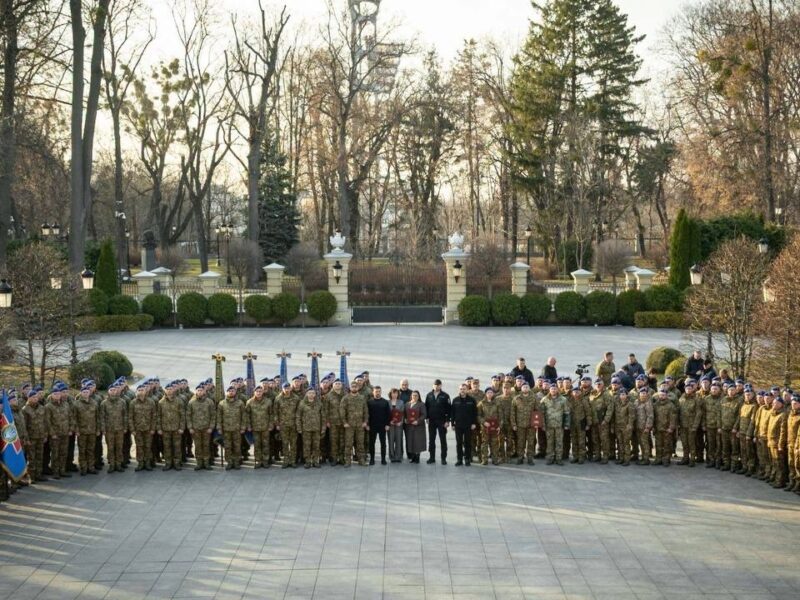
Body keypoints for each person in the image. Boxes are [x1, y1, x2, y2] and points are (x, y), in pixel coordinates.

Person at [101, 382, 128, 473]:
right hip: (109, 430)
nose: (113, 391)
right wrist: (103, 429)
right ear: (108, 391)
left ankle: (118, 464)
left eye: (114, 390)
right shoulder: (104, 403)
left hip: (119, 429)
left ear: (117, 391)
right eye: (111, 390)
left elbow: (125, 416)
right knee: (111, 448)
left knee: (119, 447)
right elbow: (102, 417)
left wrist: (125, 427)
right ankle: (112, 465)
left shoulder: (122, 402)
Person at [73, 385, 100, 476]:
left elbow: (98, 418)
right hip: (82, 431)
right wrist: (76, 430)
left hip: (92, 430)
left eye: (87, 392)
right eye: (84, 392)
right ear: (81, 393)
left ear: (90, 393)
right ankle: (83, 468)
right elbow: (74, 418)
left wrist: (98, 429)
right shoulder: (76, 404)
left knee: (91, 450)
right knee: (82, 450)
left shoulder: (94, 403)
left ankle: (91, 467)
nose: (86, 393)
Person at [158, 383, 186, 471]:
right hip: (165, 429)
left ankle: (177, 463)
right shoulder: (161, 402)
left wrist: (182, 428)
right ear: (165, 390)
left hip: (176, 429)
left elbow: (182, 415)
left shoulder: (179, 401)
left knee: (177, 447)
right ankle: (168, 463)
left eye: (171, 389)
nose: (169, 391)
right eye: (167, 389)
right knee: (167, 447)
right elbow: (158, 416)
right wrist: (159, 428)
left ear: (173, 390)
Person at [217, 386, 245, 470]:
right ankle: (229, 462)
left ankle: (236, 462)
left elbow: (244, 416)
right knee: (227, 446)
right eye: (229, 391)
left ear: (235, 392)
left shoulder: (240, 403)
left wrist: (243, 427)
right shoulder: (222, 403)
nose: (231, 392)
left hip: (237, 429)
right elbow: (219, 417)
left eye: (233, 391)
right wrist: (219, 428)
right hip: (226, 429)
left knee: (237, 446)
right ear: (226, 392)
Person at [511, 383, 539, 465]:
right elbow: (513, 412)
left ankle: (530, 458)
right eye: (524, 387)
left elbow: (537, 411)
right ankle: (520, 457)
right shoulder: (516, 398)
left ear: (529, 388)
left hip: (531, 425)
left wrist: (536, 423)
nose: (525, 388)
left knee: (531, 442)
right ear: (521, 388)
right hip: (520, 425)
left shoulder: (534, 398)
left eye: (527, 387)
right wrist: (514, 424)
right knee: (520, 442)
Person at [541, 383, 568, 465]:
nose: (553, 390)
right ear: (549, 390)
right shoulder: (544, 399)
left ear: (557, 390)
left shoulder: (563, 399)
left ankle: (558, 458)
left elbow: (567, 412)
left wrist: (566, 424)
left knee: (559, 442)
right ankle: (550, 458)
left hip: (559, 425)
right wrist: (543, 424)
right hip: (549, 425)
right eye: (552, 389)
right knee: (550, 442)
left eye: (555, 389)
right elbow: (541, 413)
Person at [296, 389, 324, 468]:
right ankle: (307, 461)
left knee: (316, 446)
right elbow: (298, 416)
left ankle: (316, 461)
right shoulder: (302, 403)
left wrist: (323, 428)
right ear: (306, 394)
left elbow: (323, 416)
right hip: (306, 428)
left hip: (316, 428)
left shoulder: (319, 403)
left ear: (315, 394)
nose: (311, 394)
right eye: (309, 393)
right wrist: (299, 428)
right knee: (306, 446)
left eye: (313, 393)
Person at [342, 382, 368, 467]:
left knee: (360, 443)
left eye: (355, 387)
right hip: (349, 425)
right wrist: (344, 422)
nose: (354, 388)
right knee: (348, 444)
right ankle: (347, 461)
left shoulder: (362, 398)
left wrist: (365, 421)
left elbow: (365, 411)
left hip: (360, 425)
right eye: (352, 386)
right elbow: (342, 411)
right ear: (350, 388)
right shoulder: (346, 398)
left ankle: (361, 460)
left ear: (358, 388)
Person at [425, 379, 451, 465]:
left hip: (442, 421)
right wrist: (427, 418)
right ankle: (432, 457)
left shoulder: (445, 396)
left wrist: (447, 421)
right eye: (435, 385)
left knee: (443, 440)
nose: (436, 387)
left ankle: (443, 458)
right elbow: (426, 407)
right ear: (433, 386)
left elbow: (449, 409)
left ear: (441, 386)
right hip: (432, 421)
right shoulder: (429, 395)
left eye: (438, 385)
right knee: (431, 440)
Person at [451, 384, 477, 466]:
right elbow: (452, 413)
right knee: (459, 443)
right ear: (459, 390)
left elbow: (474, 413)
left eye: (464, 389)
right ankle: (459, 459)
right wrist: (452, 424)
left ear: (467, 390)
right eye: (461, 389)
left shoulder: (472, 400)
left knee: (467, 443)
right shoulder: (455, 400)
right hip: (458, 425)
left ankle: (467, 459)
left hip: (468, 425)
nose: (462, 390)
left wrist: (473, 423)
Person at [275, 382, 300, 468]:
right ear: (282, 389)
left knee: (293, 444)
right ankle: (286, 460)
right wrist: (277, 424)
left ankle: (292, 461)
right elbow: (275, 412)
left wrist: (298, 423)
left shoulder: (296, 398)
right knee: (285, 443)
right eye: (285, 388)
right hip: (283, 425)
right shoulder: (278, 399)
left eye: (288, 388)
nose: (287, 390)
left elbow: (298, 412)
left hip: (293, 424)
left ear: (290, 388)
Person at [246, 386, 272, 469]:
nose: (258, 393)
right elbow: (247, 415)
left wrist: (271, 425)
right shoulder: (249, 402)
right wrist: (249, 426)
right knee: (257, 445)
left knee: (265, 445)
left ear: (263, 392)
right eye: (257, 391)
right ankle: (258, 461)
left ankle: (265, 461)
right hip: (255, 427)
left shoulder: (268, 402)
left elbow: (271, 414)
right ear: (254, 392)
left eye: (260, 391)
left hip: (265, 427)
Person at [677, 380, 702, 467]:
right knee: (684, 442)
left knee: (691, 443)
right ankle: (685, 458)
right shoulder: (681, 399)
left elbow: (699, 413)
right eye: (686, 388)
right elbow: (678, 412)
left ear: (692, 389)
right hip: (683, 425)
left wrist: (695, 425)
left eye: (690, 388)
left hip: (692, 425)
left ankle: (692, 459)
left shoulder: (696, 399)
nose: (688, 390)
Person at [367, 386, 390, 465]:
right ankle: (372, 459)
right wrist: (367, 424)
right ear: (373, 392)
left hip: (382, 426)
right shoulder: (369, 402)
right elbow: (367, 414)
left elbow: (388, 414)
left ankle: (383, 459)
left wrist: (387, 424)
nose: (377, 393)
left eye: (379, 391)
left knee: (383, 443)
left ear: (381, 392)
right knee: (371, 443)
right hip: (372, 426)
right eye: (376, 391)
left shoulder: (385, 402)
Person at [478, 388, 501, 465]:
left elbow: (501, 416)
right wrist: (483, 422)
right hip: (485, 427)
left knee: (495, 443)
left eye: (491, 392)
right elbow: (478, 415)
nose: (490, 394)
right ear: (486, 394)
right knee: (485, 443)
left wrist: (499, 426)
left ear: (493, 394)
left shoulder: (497, 403)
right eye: (488, 392)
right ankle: (485, 459)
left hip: (495, 426)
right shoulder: (481, 403)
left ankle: (495, 459)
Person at [653, 390, 676, 466]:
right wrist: (653, 427)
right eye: (660, 395)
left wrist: (671, 428)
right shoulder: (656, 404)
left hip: (667, 428)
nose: (661, 396)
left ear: (666, 395)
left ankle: (666, 459)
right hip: (658, 428)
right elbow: (654, 416)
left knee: (667, 445)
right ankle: (658, 459)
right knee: (658, 444)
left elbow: (673, 418)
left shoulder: (670, 405)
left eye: (663, 395)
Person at [404, 391, 427, 464]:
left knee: (418, 442)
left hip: (418, 426)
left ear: (419, 396)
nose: (414, 397)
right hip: (409, 426)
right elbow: (404, 414)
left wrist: (418, 421)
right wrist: (405, 419)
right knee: (411, 441)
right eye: (413, 395)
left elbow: (424, 415)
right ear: (411, 396)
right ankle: (412, 457)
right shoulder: (407, 404)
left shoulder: (421, 404)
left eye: (416, 395)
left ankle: (417, 457)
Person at [614, 389, 634, 466]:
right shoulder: (617, 404)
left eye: (623, 394)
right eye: (621, 394)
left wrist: (629, 425)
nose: (622, 396)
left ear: (627, 395)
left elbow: (631, 416)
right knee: (619, 443)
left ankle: (626, 459)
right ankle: (621, 458)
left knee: (626, 443)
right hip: (618, 426)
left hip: (626, 427)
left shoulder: (630, 404)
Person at [387, 388, 405, 463]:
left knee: (398, 440)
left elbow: (403, 413)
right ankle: (392, 456)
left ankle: (398, 456)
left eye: (396, 393)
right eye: (393, 393)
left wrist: (401, 422)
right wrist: (388, 422)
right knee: (391, 440)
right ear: (390, 394)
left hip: (398, 425)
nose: (394, 395)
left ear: (398, 394)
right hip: (390, 425)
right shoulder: (387, 402)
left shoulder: (401, 402)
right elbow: (386, 414)